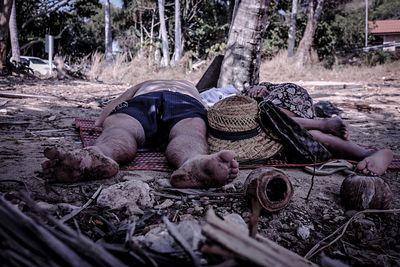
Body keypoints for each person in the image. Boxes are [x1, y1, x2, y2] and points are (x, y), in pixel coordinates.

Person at [42, 80, 239, 188]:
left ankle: (97, 154)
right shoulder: (190, 87)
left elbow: (117, 102)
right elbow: (210, 110)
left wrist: (103, 119)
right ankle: (193, 160)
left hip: (144, 100)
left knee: (120, 129)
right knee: (190, 133)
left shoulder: (146, 83)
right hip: (185, 103)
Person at [245, 82, 393, 176]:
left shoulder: (267, 101)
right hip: (284, 127)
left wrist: (258, 87)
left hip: (283, 100)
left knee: (273, 117)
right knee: (312, 136)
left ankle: (368, 152)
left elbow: (259, 91)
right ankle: (369, 152)